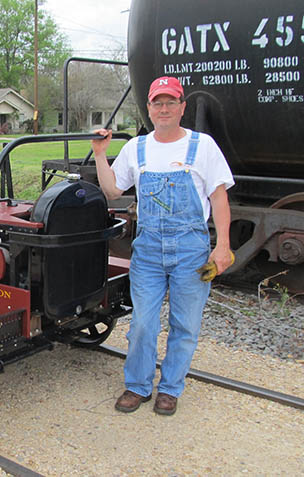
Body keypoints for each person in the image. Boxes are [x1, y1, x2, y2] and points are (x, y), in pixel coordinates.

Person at [91, 76, 234, 415]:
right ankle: (137, 386)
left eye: (171, 102)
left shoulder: (203, 146)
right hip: (149, 250)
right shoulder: (137, 148)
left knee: (185, 324)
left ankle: (170, 388)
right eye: (158, 102)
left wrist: (223, 245)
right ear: (150, 109)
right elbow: (113, 190)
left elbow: (219, 197)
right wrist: (100, 155)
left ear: (182, 107)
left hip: (191, 249)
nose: (165, 108)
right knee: (143, 321)